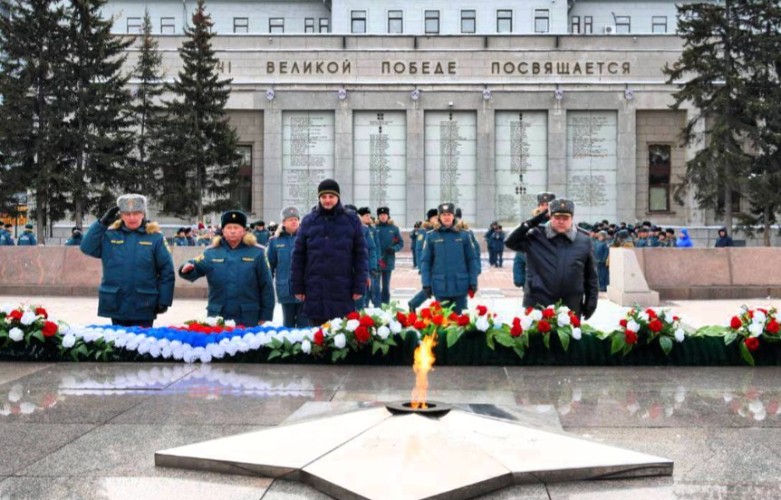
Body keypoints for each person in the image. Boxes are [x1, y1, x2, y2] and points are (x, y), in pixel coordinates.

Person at [80, 194, 175, 327]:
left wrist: (164, 299)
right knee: (119, 345)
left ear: (143, 214)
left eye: (136, 213)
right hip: (116, 302)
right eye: (127, 213)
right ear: (121, 215)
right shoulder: (109, 235)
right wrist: (102, 224)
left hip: (144, 303)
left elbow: (167, 270)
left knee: (142, 346)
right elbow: (86, 247)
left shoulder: (155, 238)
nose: (132, 218)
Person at [291, 179, 368, 326]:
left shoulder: (351, 220)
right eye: (324, 196)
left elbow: (361, 255)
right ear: (319, 198)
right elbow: (298, 256)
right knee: (318, 339)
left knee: (342, 340)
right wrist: (297, 287)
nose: (327, 200)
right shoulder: (309, 221)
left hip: (342, 290)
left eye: (331, 196)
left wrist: (359, 286)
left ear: (338, 197)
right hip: (315, 290)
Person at [504, 198, 599, 320]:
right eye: (557, 218)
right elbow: (510, 242)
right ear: (550, 217)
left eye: (565, 218)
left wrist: (591, 301)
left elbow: (591, 275)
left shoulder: (583, 240)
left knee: (568, 339)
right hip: (538, 303)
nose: (561, 222)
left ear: (572, 219)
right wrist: (532, 222)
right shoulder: (536, 236)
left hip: (571, 304)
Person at [179, 210, 275, 326]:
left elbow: (267, 285)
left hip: (248, 316)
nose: (232, 231)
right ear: (223, 231)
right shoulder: (211, 252)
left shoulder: (257, 252)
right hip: (218, 316)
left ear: (244, 230)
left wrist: (266, 314)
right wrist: (187, 268)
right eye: (229, 228)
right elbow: (196, 265)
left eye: (236, 227)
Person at [419, 202, 478, 313]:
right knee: (442, 322)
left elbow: (471, 260)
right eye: (443, 215)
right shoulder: (432, 235)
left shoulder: (464, 235)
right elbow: (426, 262)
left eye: (449, 214)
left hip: (460, 286)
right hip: (441, 286)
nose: (446, 217)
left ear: (453, 216)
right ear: (439, 217)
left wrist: (473, 282)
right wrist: (426, 283)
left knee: (460, 323)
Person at [267, 207, 309, 328]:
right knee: (287, 324)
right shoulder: (275, 242)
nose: (294, 221)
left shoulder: (306, 239)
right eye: (290, 219)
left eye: (296, 219)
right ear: (283, 222)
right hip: (285, 288)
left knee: (304, 325)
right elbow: (270, 266)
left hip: (304, 289)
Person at [408, 208, 440, 311]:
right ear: (430, 219)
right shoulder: (423, 231)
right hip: (428, 266)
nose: (437, 219)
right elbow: (418, 250)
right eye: (435, 217)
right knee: (434, 289)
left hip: (439, 265)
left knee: (433, 289)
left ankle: (413, 303)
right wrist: (421, 267)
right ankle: (414, 303)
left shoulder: (439, 230)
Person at [375, 206, 404, 305]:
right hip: (377, 260)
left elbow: (400, 243)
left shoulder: (394, 228)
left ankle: (385, 304)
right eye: (381, 215)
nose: (383, 217)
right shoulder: (374, 228)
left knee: (386, 286)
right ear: (378, 216)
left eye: (385, 215)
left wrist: (393, 249)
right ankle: (377, 305)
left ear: (388, 216)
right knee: (376, 286)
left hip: (388, 259)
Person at [355, 207, 378, 311]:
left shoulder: (364, 230)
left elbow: (372, 249)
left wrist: (372, 267)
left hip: (361, 271)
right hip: (342, 274)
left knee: (360, 304)